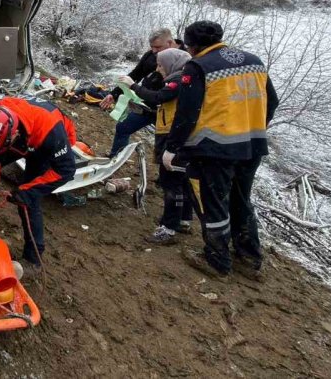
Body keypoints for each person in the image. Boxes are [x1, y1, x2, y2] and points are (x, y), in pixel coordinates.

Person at [164, 20, 279, 280]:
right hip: (252, 145)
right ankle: (249, 257)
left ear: (192, 46)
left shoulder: (198, 66)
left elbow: (187, 112)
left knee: (213, 203)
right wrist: (254, 127)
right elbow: (272, 102)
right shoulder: (254, 61)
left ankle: (217, 260)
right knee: (241, 200)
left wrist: (172, 147)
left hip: (215, 149)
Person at [0, 97, 77, 268]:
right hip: (23, 134)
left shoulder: (52, 134)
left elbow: (66, 170)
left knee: (27, 202)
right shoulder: (0, 115)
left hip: (44, 144)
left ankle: (33, 259)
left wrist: (28, 191)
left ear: (14, 135)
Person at [121, 47, 195, 245]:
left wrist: (133, 86)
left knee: (171, 182)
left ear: (171, 64)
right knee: (182, 180)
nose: (158, 69)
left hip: (173, 136)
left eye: (161, 65)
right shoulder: (187, 79)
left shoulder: (178, 80)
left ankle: (168, 228)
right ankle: (184, 220)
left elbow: (158, 97)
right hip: (182, 136)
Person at [100, 28, 183, 157]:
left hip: (169, 111)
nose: (154, 51)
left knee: (165, 147)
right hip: (147, 105)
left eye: (157, 47)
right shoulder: (151, 55)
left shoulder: (186, 59)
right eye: (152, 47)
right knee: (123, 128)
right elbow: (135, 74)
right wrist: (114, 93)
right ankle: (116, 158)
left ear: (170, 42)